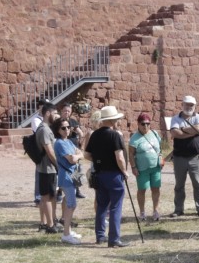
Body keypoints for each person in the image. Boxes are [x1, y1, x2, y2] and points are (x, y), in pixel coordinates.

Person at [85, 105, 130, 248]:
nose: (117, 122)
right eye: (116, 119)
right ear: (111, 121)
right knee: (115, 207)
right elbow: (120, 157)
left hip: (99, 174)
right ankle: (114, 239)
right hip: (114, 175)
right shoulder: (114, 135)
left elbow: (87, 154)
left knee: (101, 206)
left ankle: (100, 236)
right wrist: (124, 171)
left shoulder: (94, 135)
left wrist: (99, 161)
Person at [168, 95, 199, 217]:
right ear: (182, 105)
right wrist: (191, 133)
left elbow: (198, 128)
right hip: (179, 157)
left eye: (191, 105)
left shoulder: (198, 117)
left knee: (198, 184)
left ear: (195, 106)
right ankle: (178, 209)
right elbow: (174, 133)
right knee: (179, 185)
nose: (189, 107)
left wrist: (182, 130)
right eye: (187, 104)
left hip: (194, 157)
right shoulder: (175, 118)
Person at [53, 118, 84, 245]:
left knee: (67, 201)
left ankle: (68, 230)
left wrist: (76, 156)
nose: (67, 130)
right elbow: (71, 159)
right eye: (63, 128)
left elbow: (80, 153)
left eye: (68, 127)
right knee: (72, 204)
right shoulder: (59, 143)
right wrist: (76, 157)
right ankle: (66, 234)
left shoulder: (69, 142)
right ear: (58, 130)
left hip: (73, 174)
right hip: (66, 176)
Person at [128, 113, 164, 223]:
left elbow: (159, 148)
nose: (146, 126)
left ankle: (155, 211)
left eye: (148, 124)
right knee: (142, 190)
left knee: (156, 188)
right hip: (142, 168)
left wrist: (161, 157)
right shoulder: (135, 138)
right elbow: (131, 154)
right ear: (138, 124)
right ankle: (142, 212)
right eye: (143, 124)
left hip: (155, 167)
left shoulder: (154, 133)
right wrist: (133, 167)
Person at [35, 102, 59, 233]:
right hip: (47, 168)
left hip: (48, 168)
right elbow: (49, 150)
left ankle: (48, 222)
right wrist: (58, 165)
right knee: (47, 197)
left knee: (49, 196)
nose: (56, 116)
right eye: (54, 113)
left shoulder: (45, 128)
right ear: (48, 113)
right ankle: (50, 225)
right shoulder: (44, 129)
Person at [58, 103, 86, 199]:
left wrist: (75, 130)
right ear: (61, 111)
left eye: (68, 111)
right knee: (63, 170)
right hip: (63, 149)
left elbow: (81, 133)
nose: (67, 112)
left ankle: (77, 189)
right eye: (65, 110)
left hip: (74, 147)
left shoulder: (73, 121)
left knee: (77, 169)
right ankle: (59, 192)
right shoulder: (58, 122)